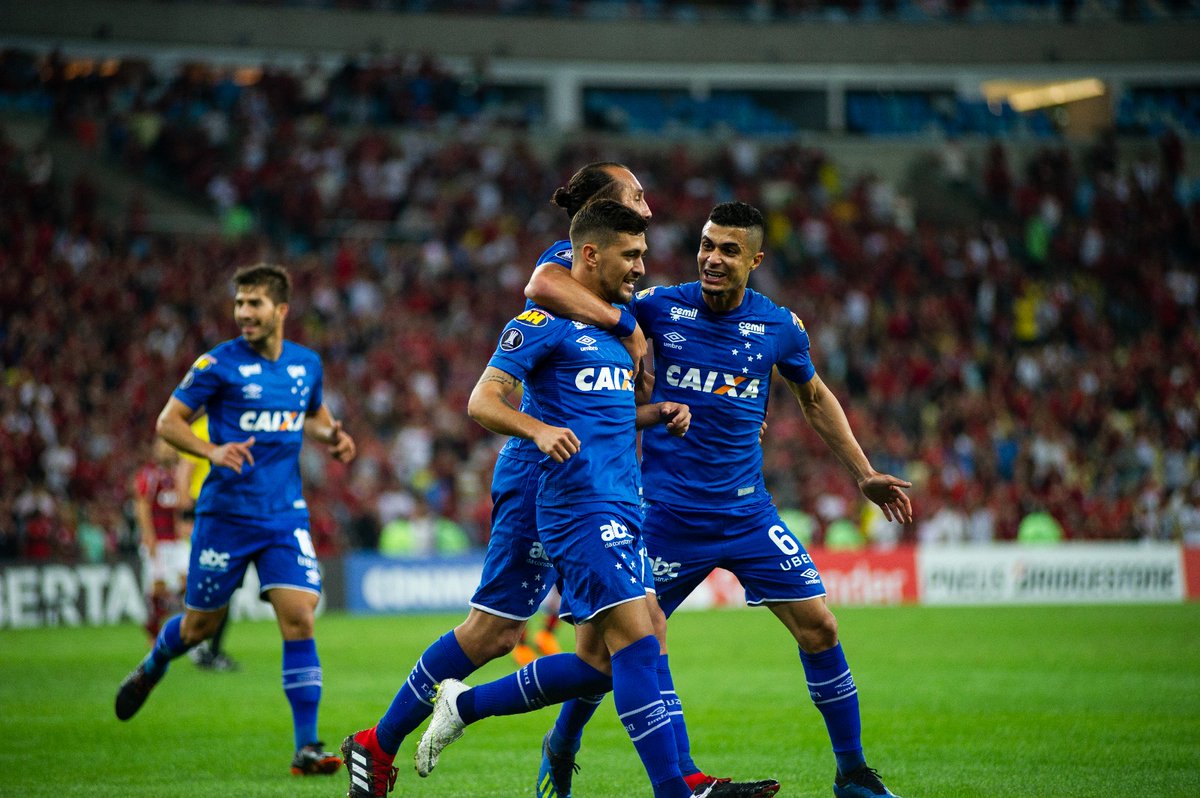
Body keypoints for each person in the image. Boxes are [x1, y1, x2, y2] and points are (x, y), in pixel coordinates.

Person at [340, 164, 774, 798]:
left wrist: (673, 410)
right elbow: (530, 308)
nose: (647, 208)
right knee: (515, 633)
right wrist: (618, 338)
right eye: (635, 195)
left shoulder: (613, 296)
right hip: (547, 476)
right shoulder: (563, 278)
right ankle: (383, 741)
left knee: (612, 647)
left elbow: (606, 404)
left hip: (604, 484)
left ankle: (649, 770)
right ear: (597, 222)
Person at [540, 201, 913, 798]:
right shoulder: (658, 307)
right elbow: (551, 286)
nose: (712, 258)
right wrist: (626, 332)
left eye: (729, 250)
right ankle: (563, 743)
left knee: (820, 627)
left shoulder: (779, 327)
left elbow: (815, 398)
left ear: (755, 260)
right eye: (707, 245)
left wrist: (863, 472)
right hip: (666, 516)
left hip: (747, 514)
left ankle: (852, 773)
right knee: (607, 656)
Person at [416, 198, 714, 798]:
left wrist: (657, 412)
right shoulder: (541, 322)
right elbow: (482, 401)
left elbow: (608, 415)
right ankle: (676, 788)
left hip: (624, 503)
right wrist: (537, 430)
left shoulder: (615, 332)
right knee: (639, 643)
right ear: (590, 254)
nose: (640, 267)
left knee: (601, 664)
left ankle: (464, 706)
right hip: (578, 505)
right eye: (630, 256)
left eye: (643, 255)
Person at [114, 263, 357, 777]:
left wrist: (334, 435)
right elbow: (168, 422)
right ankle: (154, 665)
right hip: (225, 517)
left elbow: (310, 414)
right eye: (239, 303)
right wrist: (211, 451)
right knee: (199, 626)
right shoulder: (216, 364)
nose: (243, 313)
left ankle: (307, 748)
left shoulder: (305, 364)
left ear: (281, 310)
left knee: (300, 616)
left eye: (254, 303)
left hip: (283, 517)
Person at [176, 415, 240, 671]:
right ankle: (198, 644)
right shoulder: (202, 428)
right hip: (205, 516)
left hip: (230, 516)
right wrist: (185, 517)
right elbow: (184, 473)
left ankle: (212, 650)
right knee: (208, 584)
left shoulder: (235, 423)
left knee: (226, 587)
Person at [131, 436, 186, 641]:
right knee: (158, 585)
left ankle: (178, 623)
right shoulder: (150, 475)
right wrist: (149, 536)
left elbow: (179, 506)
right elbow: (142, 505)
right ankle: (153, 629)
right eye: (164, 446)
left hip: (175, 539)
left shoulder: (177, 474)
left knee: (187, 581)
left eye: (170, 446)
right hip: (158, 539)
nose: (168, 450)